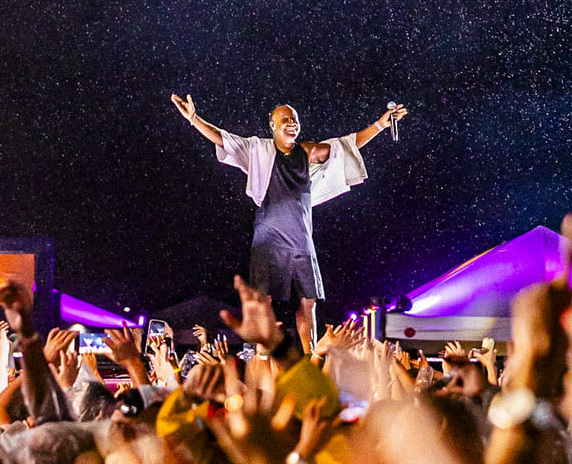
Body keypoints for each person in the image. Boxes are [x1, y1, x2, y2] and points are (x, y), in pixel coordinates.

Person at [170, 95, 407, 351]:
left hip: (301, 238)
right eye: (285, 119)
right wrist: (194, 118)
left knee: (308, 302)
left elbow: (345, 146)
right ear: (272, 126)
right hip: (269, 237)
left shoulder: (306, 151)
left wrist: (380, 125)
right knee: (264, 302)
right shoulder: (257, 150)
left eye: (294, 118)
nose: (291, 122)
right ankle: (263, 357)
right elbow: (222, 138)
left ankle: (310, 355)